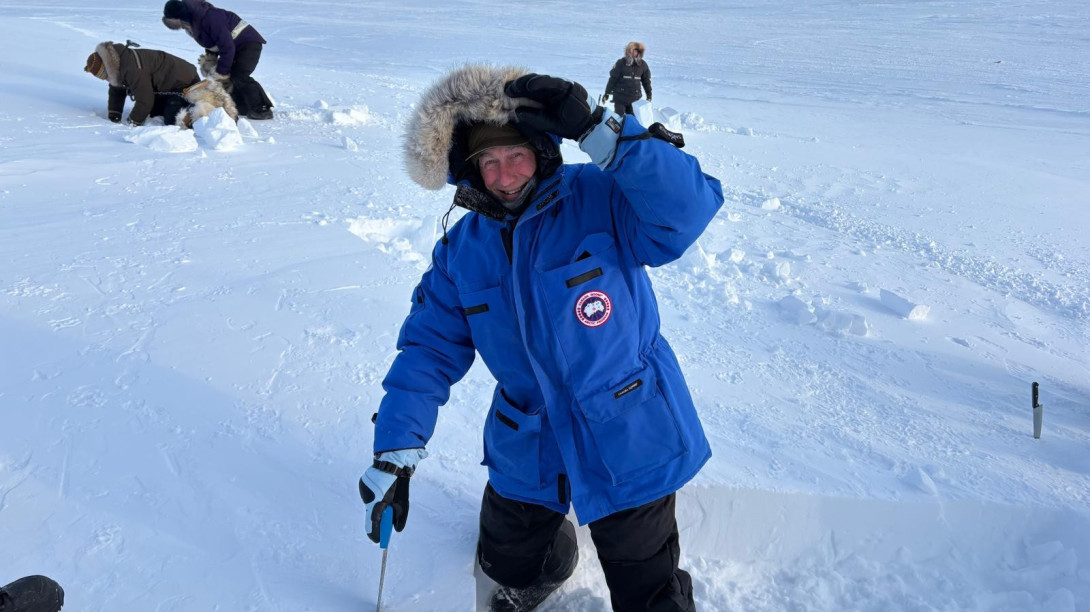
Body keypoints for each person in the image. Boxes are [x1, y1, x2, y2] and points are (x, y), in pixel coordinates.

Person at [358, 65, 723, 612]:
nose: (504, 177)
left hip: (628, 428)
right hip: (525, 436)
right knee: (505, 566)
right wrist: (395, 450)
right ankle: (554, 557)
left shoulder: (600, 196)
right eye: (488, 162)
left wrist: (605, 135)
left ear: (541, 150)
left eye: (515, 156)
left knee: (647, 591)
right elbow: (428, 351)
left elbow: (688, 211)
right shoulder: (462, 250)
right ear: (469, 169)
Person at [161, 0, 274, 120]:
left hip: (248, 43)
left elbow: (227, 46)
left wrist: (221, 71)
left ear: (181, 17)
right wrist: (210, 60)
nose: (182, 28)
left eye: (181, 24)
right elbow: (211, 41)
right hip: (234, 46)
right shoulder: (193, 22)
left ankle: (262, 108)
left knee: (239, 76)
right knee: (231, 77)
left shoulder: (211, 18)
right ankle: (243, 106)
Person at [84, 41, 234, 127]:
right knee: (154, 113)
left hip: (182, 82)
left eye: (105, 76)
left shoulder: (131, 69)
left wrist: (132, 123)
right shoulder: (117, 62)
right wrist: (114, 114)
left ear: (108, 67)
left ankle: (208, 107)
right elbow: (116, 89)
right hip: (163, 87)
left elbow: (145, 99)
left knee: (171, 120)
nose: (106, 79)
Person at [601, 41, 652, 116]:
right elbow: (612, 79)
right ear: (629, 51)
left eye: (637, 51)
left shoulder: (643, 65)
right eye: (633, 51)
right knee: (619, 119)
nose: (635, 53)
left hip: (634, 99)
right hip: (620, 98)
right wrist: (607, 93)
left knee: (633, 120)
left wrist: (649, 94)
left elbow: (646, 81)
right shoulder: (621, 63)